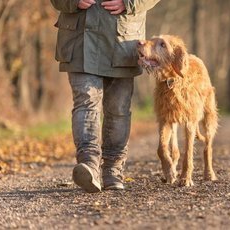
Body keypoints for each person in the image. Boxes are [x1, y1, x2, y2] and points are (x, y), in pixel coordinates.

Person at [50, 0, 160, 192]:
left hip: (122, 40)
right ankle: (89, 164)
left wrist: (130, 2)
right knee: (85, 101)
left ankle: (113, 168)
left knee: (118, 109)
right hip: (79, 39)